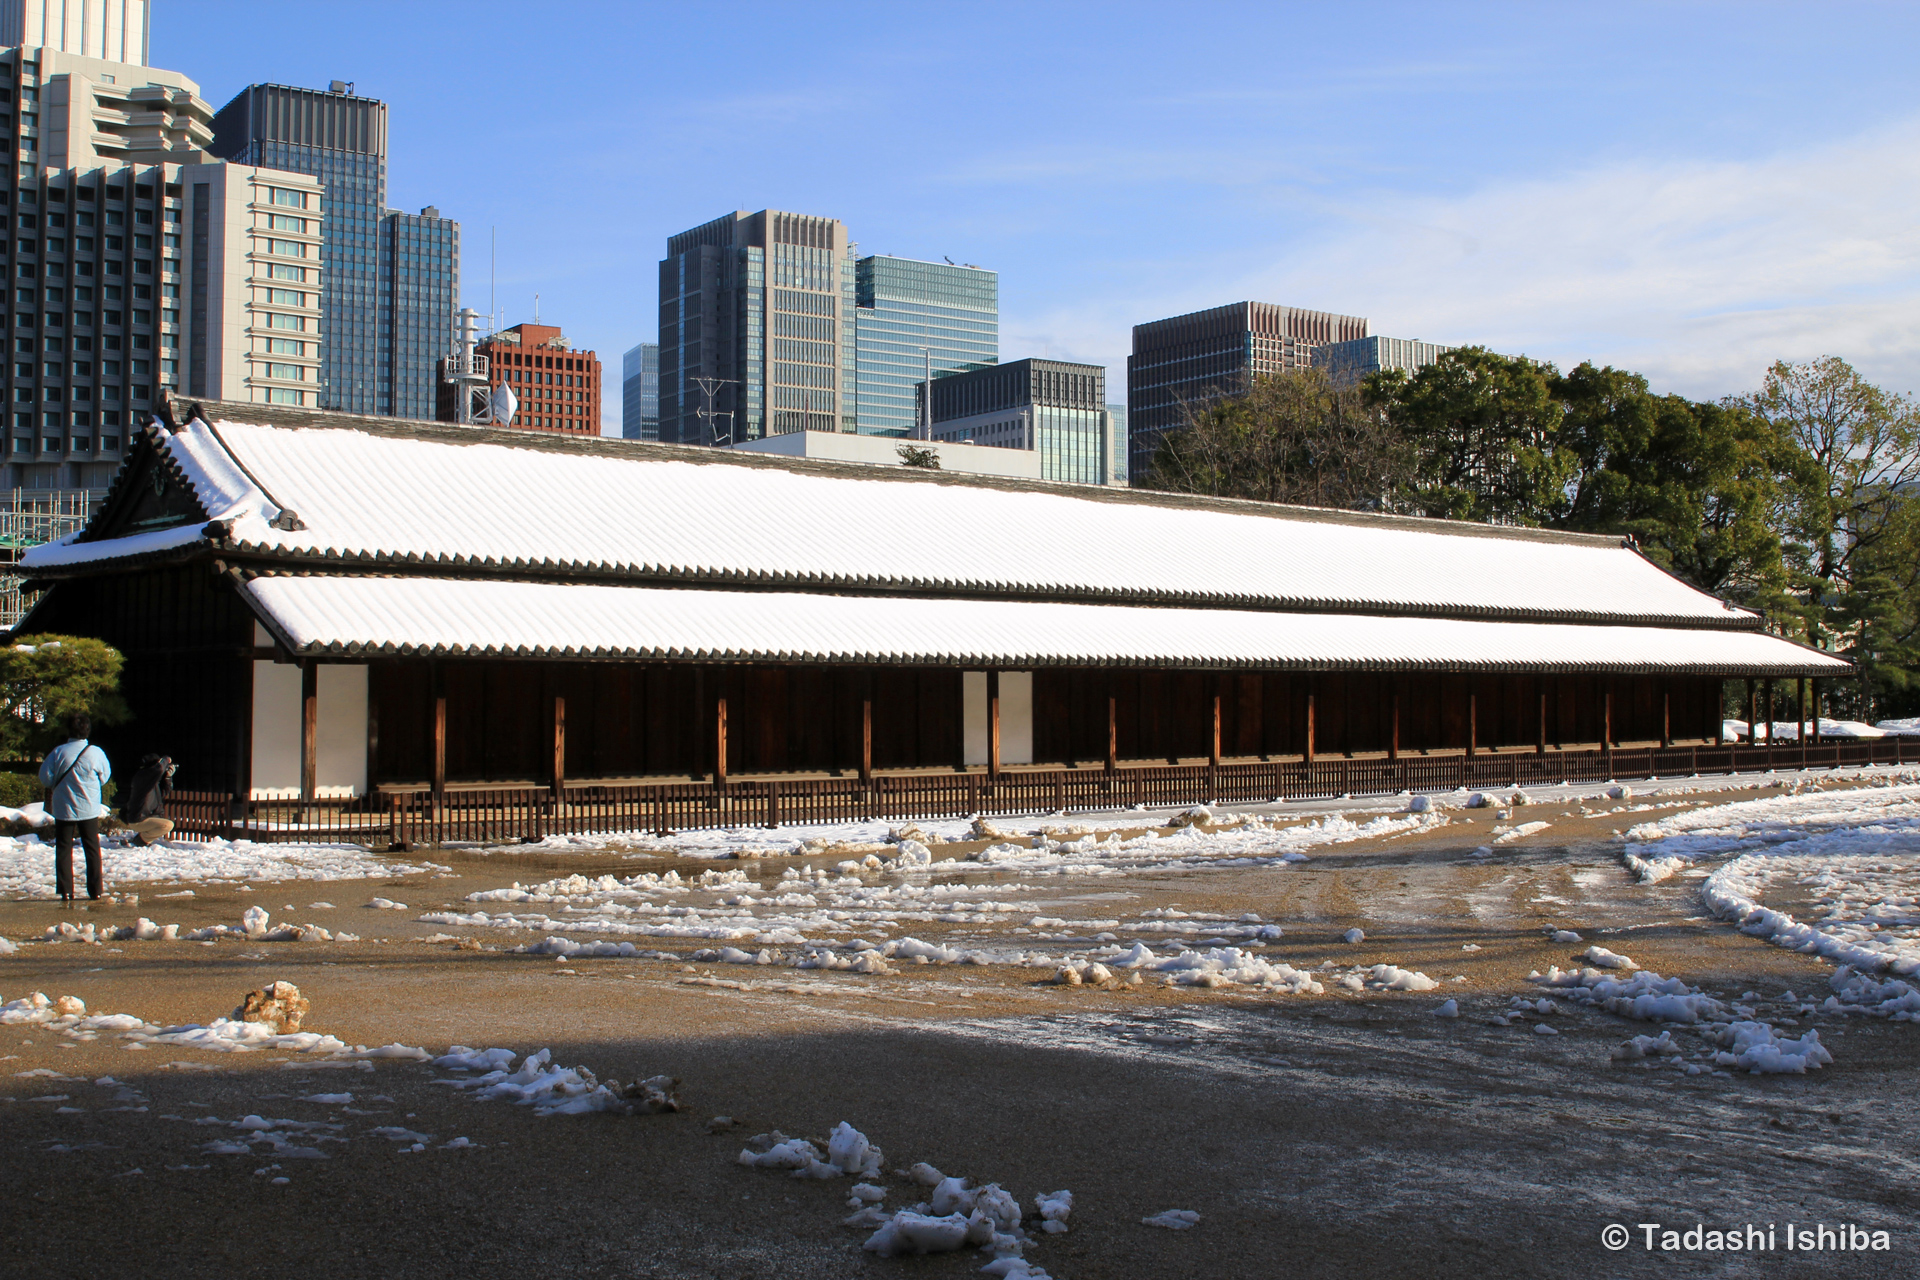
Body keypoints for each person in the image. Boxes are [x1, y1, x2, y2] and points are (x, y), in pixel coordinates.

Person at [38, 713, 112, 903]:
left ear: (68, 730)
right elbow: (104, 778)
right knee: (92, 848)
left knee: (63, 848)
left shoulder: (58, 752)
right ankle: (95, 890)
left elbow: (45, 777)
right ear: (87, 730)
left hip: (64, 807)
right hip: (89, 807)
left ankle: (66, 890)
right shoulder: (96, 752)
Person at [120, 753, 176, 847]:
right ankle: (140, 841)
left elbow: (163, 793)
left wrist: (168, 777)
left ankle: (139, 840)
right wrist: (166, 760)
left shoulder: (149, 782)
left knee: (165, 824)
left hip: (144, 817)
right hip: (138, 819)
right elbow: (158, 769)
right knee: (167, 825)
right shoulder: (143, 776)